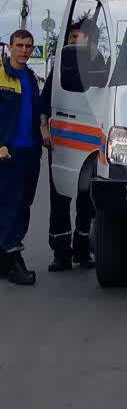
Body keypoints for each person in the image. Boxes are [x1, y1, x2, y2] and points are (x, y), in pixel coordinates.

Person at [38, 19, 97, 271]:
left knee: (88, 198)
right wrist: (43, 127)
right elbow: (45, 100)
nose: (73, 42)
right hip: (63, 139)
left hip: (92, 140)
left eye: (78, 37)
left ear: (91, 39)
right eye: (71, 37)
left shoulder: (102, 64)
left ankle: (82, 249)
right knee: (60, 196)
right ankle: (61, 253)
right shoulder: (62, 65)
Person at [0, 29, 45, 287]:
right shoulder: (1, 76)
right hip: (8, 153)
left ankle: (4, 259)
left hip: (30, 151)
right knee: (11, 205)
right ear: (9, 47)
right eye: (20, 45)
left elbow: (37, 111)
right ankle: (14, 261)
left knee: (24, 204)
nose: (24, 51)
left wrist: (45, 131)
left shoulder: (30, 77)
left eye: (29, 46)